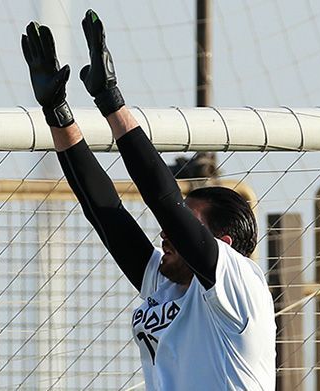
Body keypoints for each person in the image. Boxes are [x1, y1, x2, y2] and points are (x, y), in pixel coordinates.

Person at [22, 10, 275, 390]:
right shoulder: (168, 284)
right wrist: (57, 112)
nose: (165, 234)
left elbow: (164, 202)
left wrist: (110, 100)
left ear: (222, 245)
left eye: (187, 225)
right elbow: (106, 215)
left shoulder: (239, 285)